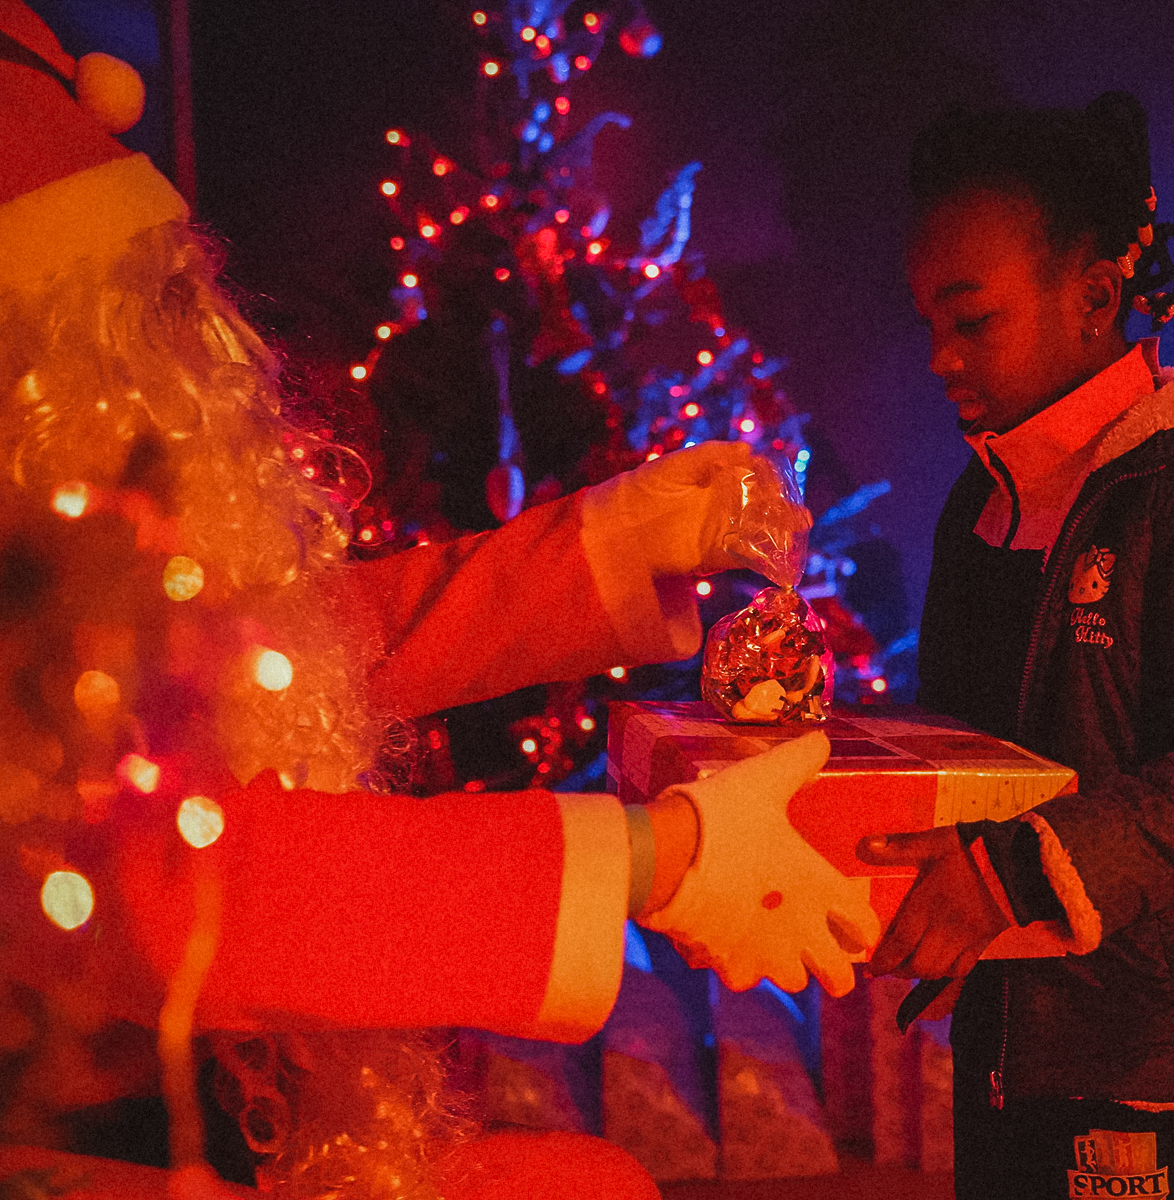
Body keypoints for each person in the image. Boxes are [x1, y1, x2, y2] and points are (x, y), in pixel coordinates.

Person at [0, 3, 877, 1194]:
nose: (196, 352)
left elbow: (283, 652)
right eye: (141, 315)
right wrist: (654, 854)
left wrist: (610, 547)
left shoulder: (68, 563)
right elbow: (173, 886)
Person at [858, 94, 1174, 1199]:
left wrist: (1013, 874)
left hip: (1153, 1048)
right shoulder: (985, 496)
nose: (938, 358)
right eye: (926, 322)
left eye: (971, 320)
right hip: (1019, 1023)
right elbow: (972, 746)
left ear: (1097, 295)